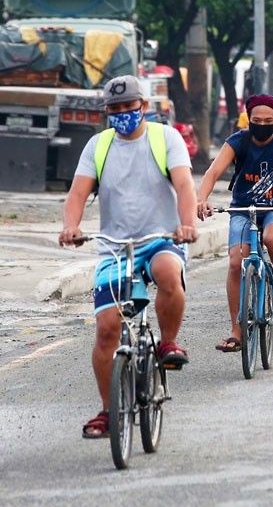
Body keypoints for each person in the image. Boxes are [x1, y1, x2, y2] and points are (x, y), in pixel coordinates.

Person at [58, 75, 198, 439]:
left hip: (161, 239)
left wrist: (187, 224)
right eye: (114, 109)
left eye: (128, 107)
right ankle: (108, 411)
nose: (122, 114)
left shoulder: (165, 138)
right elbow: (77, 194)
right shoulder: (98, 146)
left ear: (144, 107)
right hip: (114, 247)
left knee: (168, 272)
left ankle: (168, 343)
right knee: (106, 329)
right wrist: (70, 227)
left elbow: (184, 184)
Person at [196, 94, 273, 353]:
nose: (261, 124)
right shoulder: (237, 141)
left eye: (268, 120)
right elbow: (213, 172)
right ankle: (236, 330)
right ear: (248, 120)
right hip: (243, 208)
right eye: (255, 120)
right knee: (236, 261)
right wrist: (201, 199)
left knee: (272, 238)